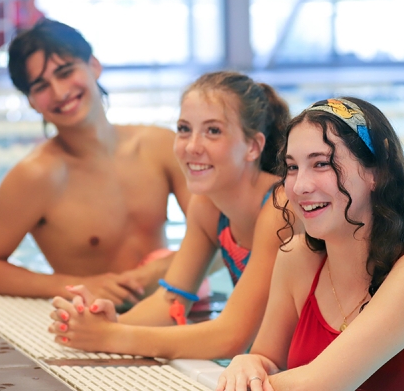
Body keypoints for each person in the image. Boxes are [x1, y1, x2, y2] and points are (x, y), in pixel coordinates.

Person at [48, 71, 301, 359]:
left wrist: (111, 338)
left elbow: (230, 337)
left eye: (213, 131)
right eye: (184, 129)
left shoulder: (281, 208)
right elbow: (171, 301)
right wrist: (105, 324)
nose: (192, 146)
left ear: (253, 146)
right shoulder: (208, 208)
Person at [216, 97, 404, 391]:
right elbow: (267, 359)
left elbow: (318, 385)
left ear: (375, 172)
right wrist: (248, 363)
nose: (300, 186)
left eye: (321, 164)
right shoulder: (296, 257)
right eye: (292, 167)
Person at [0, 18, 191, 306]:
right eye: (41, 86)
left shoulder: (158, 147)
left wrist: (163, 269)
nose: (59, 93)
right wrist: (73, 286)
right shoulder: (36, 177)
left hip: (172, 303)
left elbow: (222, 232)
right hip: (95, 320)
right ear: (32, 102)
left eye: (65, 72)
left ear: (93, 65)